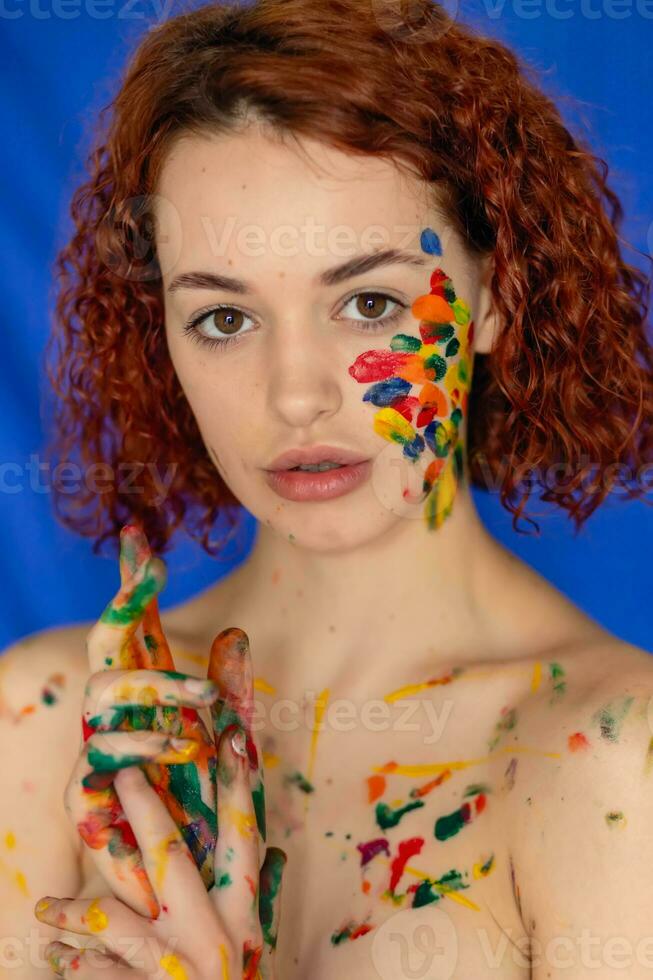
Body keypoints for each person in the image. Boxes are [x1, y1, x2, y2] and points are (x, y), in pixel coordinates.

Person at [1, 0, 652, 976]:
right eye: (223, 317)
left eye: (368, 302)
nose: (294, 393)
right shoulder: (51, 724)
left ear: (496, 296)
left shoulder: (608, 756)